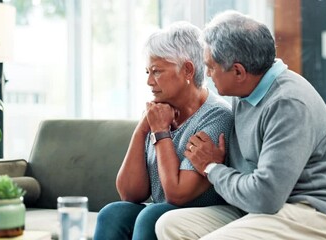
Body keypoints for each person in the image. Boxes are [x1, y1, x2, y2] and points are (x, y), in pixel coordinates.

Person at [155, 10, 326, 240]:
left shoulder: (287, 103)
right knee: (169, 225)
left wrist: (212, 168)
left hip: (314, 211)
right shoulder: (244, 93)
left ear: (238, 71)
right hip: (258, 209)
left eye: (211, 67)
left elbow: (266, 196)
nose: (208, 74)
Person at [93, 21, 233, 240]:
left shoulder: (216, 117)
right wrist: (142, 130)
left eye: (157, 72)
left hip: (206, 214)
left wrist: (160, 132)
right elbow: (130, 194)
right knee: (113, 213)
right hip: (162, 210)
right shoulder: (159, 113)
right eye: (148, 71)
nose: (149, 81)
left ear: (187, 70)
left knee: (152, 215)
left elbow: (176, 195)